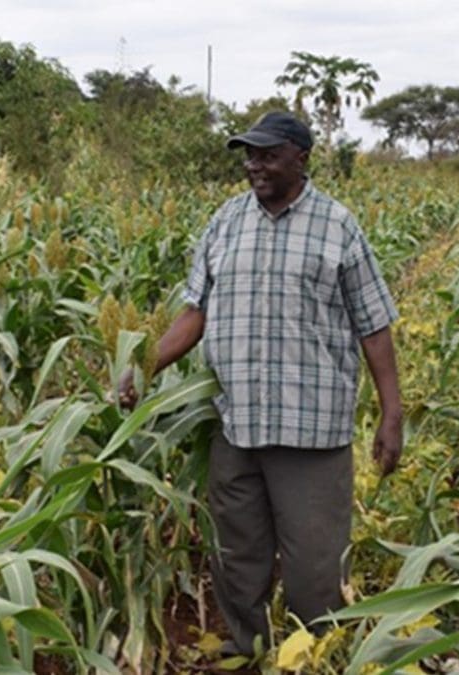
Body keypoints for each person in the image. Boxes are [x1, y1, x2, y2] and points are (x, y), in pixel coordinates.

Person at [118, 111, 403, 657]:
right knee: (237, 554)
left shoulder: (337, 226)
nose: (255, 165)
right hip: (237, 422)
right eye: (249, 155)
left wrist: (392, 413)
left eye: (268, 154)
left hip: (311, 430)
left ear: (301, 157)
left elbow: (374, 325)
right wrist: (143, 366)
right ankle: (250, 652)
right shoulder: (226, 222)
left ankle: (312, 658)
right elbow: (193, 313)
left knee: (314, 566)